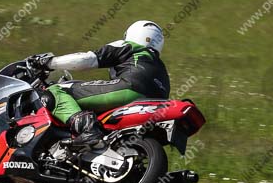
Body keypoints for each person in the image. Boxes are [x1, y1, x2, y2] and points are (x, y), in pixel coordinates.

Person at [29, 21, 169, 147]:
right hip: (153, 105)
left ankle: (88, 129)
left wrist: (48, 62)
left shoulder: (129, 46)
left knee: (56, 90)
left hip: (128, 89)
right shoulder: (162, 69)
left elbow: (87, 60)